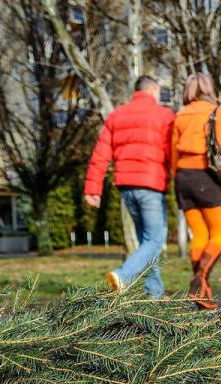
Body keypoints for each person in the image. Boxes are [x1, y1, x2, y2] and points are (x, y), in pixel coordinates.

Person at [84, 75, 175, 296]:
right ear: (153, 91)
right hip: (152, 186)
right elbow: (172, 152)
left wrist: (92, 189)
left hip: (126, 188)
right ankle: (124, 275)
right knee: (155, 240)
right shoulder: (164, 115)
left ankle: (154, 293)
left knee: (147, 241)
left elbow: (101, 154)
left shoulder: (117, 115)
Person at [172, 73, 221, 309]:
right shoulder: (217, 113)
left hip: (182, 179)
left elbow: (173, 155)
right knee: (219, 234)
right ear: (209, 87)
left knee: (198, 235)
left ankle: (202, 295)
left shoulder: (180, 115)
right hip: (207, 177)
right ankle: (200, 279)